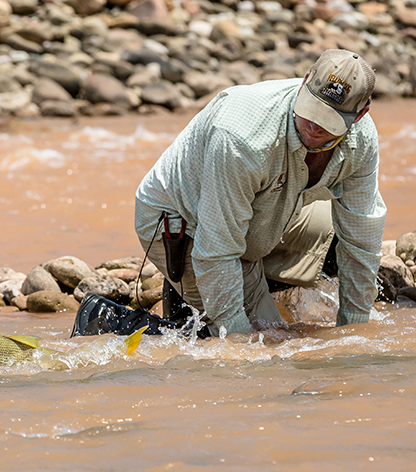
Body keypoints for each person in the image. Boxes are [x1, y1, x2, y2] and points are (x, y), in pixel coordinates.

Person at [73, 49, 385, 339]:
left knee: (320, 244)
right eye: (310, 111)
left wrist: (352, 333)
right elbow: (216, 251)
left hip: (259, 214)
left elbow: (361, 238)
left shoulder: (362, 140)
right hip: (183, 222)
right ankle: (103, 319)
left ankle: (195, 300)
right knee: (258, 338)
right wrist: (238, 341)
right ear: (304, 82)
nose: (315, 127)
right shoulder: (241, 138)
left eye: (328, 122)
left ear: (359, 115)